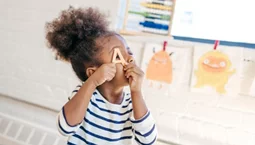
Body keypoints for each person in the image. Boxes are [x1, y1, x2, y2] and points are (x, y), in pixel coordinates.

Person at [45, 6, 157, 145]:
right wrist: (91, 83)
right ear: (94, 73)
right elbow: (65, 128)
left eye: (129, 51)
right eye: (118, 55)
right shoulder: (86, 97)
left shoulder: (131, 104)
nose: (130, 58)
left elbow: (148, 140)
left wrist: (136, 91)